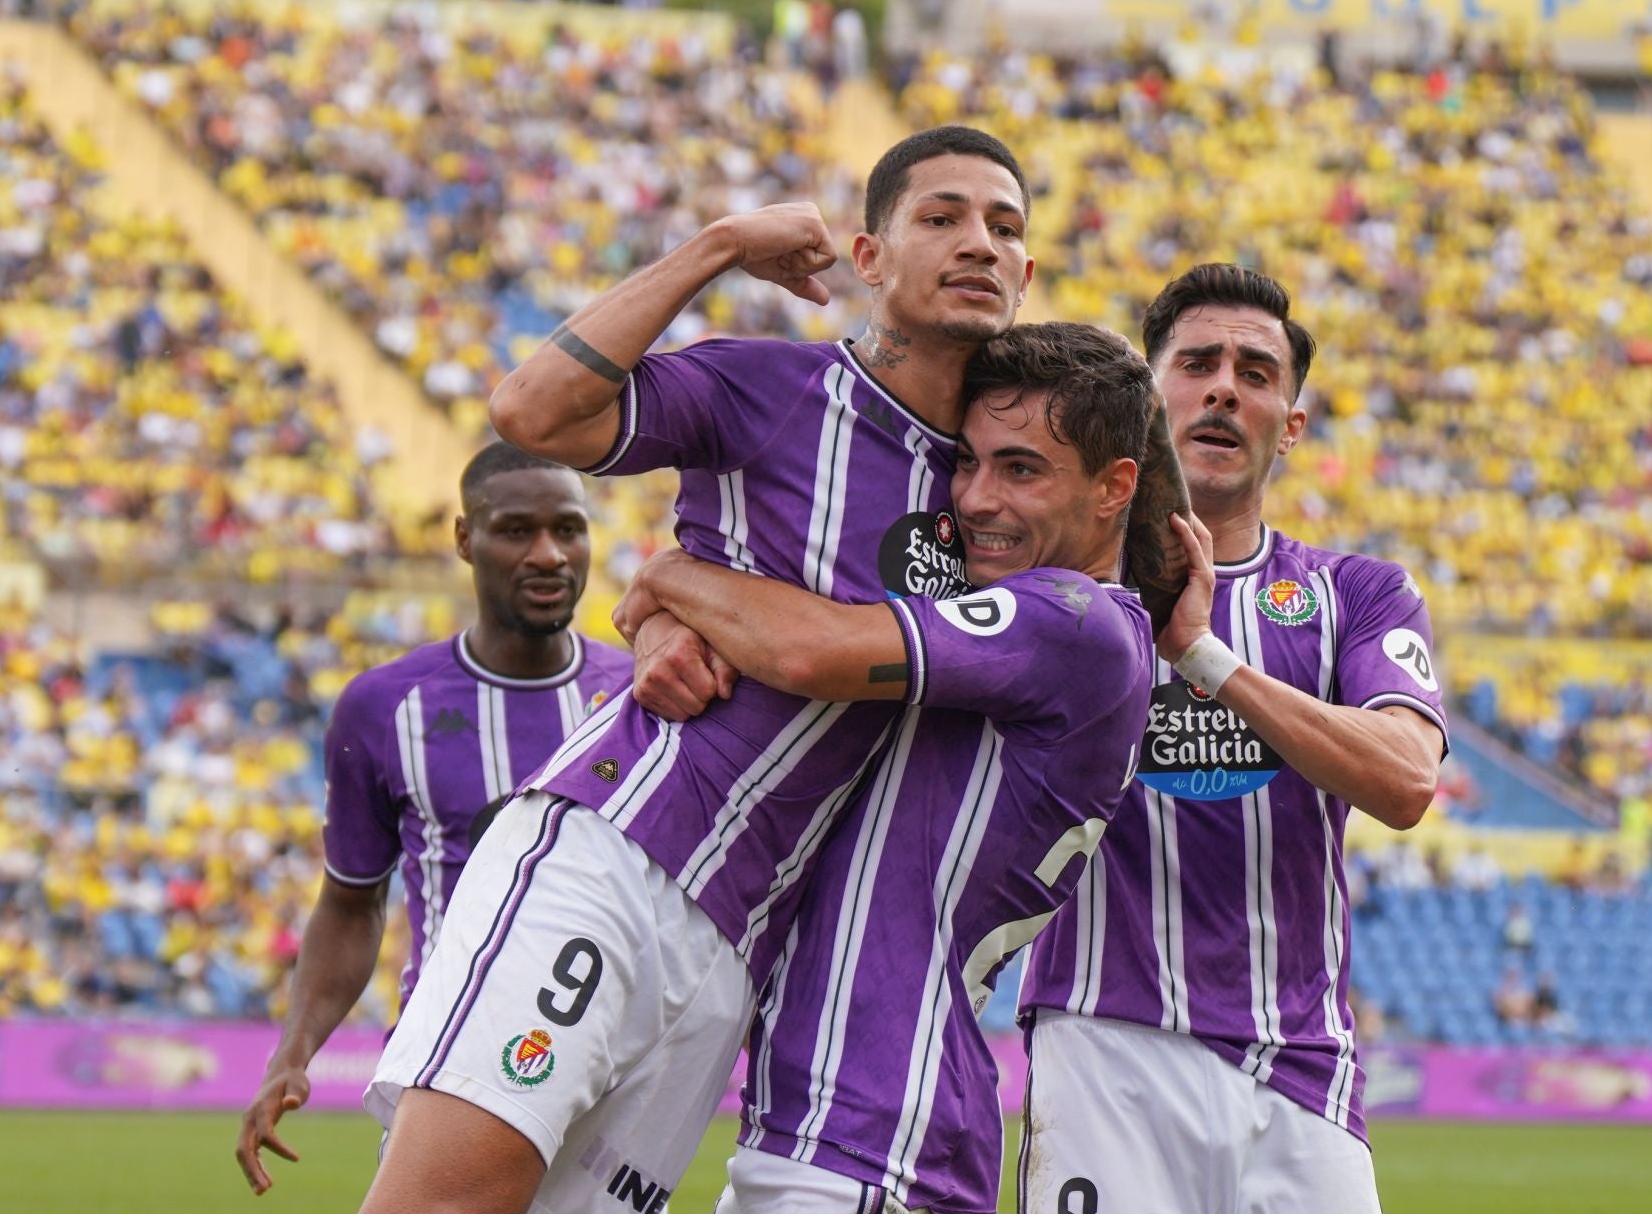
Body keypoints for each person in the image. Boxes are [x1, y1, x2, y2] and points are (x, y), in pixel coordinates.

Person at [359, 126, 1038, 1214]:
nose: (978, 243)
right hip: (616, 854)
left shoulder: (1010, 494)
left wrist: (665, 589)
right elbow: (531, 412)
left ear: (1030, 273)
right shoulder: (773, 388)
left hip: (735, 952)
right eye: (943, 216)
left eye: (1004, 227)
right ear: (869, 256)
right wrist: (715, 245)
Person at [616, 323, 1171, 1213]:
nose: (978, 498)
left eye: (1021, 470)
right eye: (969, 462)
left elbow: (809, 651)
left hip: (882, 1134)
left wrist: (673, 574)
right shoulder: (1007, 622)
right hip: (832, 1129)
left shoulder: (1075, 620)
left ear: (1115, 489)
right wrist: (658, 626)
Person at [1019, 264, 1448, 1214]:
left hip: (1300, 1068)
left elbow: (1407, 781)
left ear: (1290, 424)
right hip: (1104, 1043)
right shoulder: (1051, 586)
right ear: (1146, 397)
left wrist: (1204, 656)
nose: (1224, 386)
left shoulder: (1361, 595)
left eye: (1256, 372)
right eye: (1198, 363)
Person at [232, 443, 631, 1195]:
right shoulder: (385, 707)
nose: (548, 554)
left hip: (609, 1077)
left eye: (569, 530)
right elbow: (351, 901)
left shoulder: (642, 696)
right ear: (463, 539)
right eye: (516, 530)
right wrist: (293, 1051)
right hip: (450, 1066)